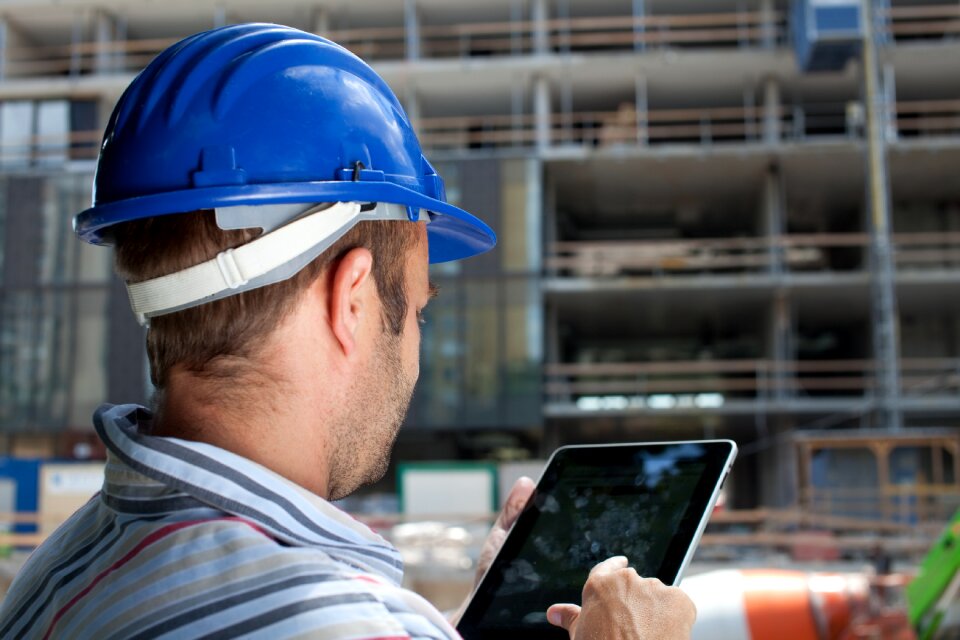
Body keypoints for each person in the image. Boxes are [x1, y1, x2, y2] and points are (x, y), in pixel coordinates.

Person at [0, 24, 696, 639]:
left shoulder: (62, 568)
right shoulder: (331, 617)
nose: (415, 346)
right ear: (352, 299)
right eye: (417, 311)